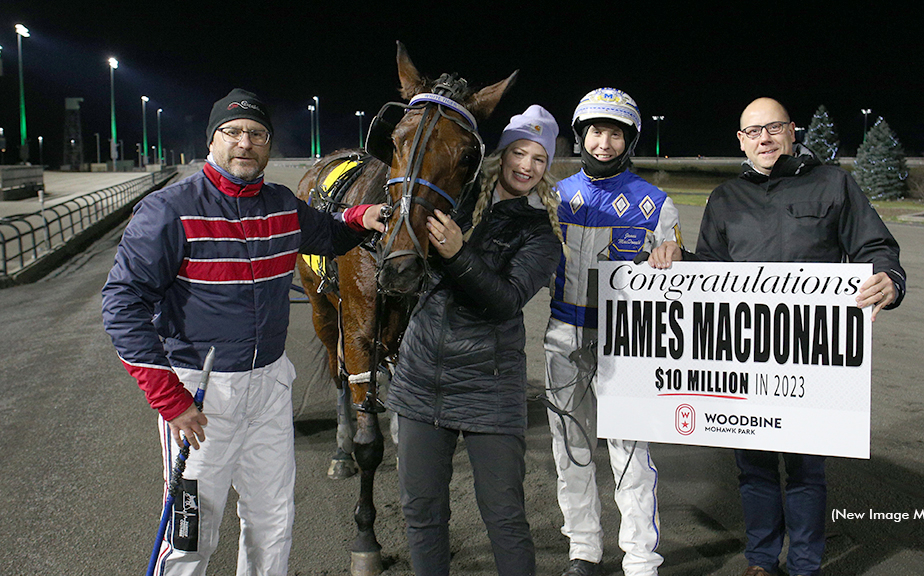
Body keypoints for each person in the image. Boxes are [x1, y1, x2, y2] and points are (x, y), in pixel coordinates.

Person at [101, 88, 386, 576]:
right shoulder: (168, 210)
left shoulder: (280, 204)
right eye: (232, 132)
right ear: (211, 140)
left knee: (273, 521)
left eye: (257, 134)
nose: (245, 143)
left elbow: (330, 232)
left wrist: (363, 216)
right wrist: (171, 400)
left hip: (270, 388)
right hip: (200, 397)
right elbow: (121, 306)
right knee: (191, 532)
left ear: (268, 144)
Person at [655, 97, 906, 576]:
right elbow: (709, 273)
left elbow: (875, 246)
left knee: (806, 470)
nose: (764, 139)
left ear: (792, 131)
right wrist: (679, 260)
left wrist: (890, 279)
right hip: (746, 358)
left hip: (809, 359)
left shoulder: (833, 182)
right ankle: (762, 561)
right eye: (753, 132)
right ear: (740, 141)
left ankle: (805, 565)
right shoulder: (725, 198)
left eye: (772, 128)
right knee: (753, 468)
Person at [386, 104, 564, 576]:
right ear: (502, 153)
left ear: (547, 168)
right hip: (421, 382)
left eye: (539, 159)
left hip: (491, 389)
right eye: (519, 152)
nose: (526, 166)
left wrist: (458, 252)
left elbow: (504, 302)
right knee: (421, 514)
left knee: (505, 519)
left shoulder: (541, 233)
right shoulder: (454, 201)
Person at [546, 87, 687, 576]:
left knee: (630, 454)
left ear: (629, 140)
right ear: (581, 135)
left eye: (614, 133)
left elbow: (680, 278)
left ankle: (641, 559)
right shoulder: (553, 197)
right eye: (595, 131)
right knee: (572, 450)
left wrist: (675, 260)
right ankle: (583, 550)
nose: (603, 142)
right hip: (563, 337)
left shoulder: (656, 204)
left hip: (627, 348)